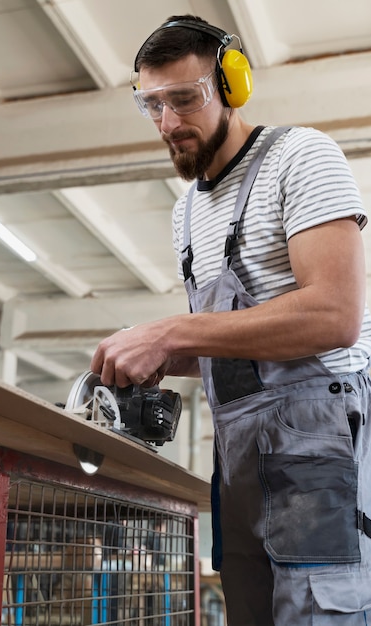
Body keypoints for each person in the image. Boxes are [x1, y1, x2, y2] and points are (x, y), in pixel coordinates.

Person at [91, 14, 371, 625]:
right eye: (151, 105)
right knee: (251, 610)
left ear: (232, 84)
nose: (168, 123)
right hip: (239, 449)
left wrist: (169, 331)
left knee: (318, 613)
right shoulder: (186, 211)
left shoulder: (301, 156)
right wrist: (160, 356)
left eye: (185, 99)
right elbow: (236, 342)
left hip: (315, 441)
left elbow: (334, 313)